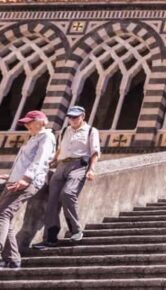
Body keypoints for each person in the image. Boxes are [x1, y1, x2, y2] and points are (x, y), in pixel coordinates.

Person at [35, 106, 100, 248]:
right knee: (52, 201)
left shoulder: (91, 131)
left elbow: (95, 152)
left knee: (68, 193)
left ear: (83, 116)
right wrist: (52, 160)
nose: (72, 120)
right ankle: (50, 238)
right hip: (61, 166)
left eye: (75, 117)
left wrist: (91, 170)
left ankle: (75, 230)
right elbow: (60, 149)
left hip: (79, 165)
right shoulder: (64, 130)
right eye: (70, 117)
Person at [0, 111, 55, 268]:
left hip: (27, 183)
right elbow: (24, 162)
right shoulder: (34, 138)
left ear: (41, 121)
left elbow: (41, 160)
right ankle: (12, 258)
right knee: (6, 217)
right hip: (15, 181)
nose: (26, 125)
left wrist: (26, 178)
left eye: (29, 122)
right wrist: (10, 175)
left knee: (3, 214)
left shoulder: (46, 137)